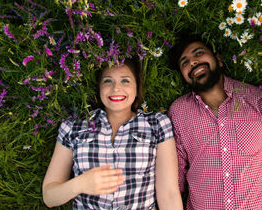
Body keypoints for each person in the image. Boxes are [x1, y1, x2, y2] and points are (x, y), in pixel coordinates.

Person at [168, 35, 262, 210]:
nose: (192, 62)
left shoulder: (258, 102)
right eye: (184, 62)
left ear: (219, 60)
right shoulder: (178, 112)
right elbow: (172, 182)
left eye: (199, 53)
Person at [42, 57, 183, 210]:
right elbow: (49, 197)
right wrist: (80, 184)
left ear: (137, 88)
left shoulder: (156, 124)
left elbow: (169, 194)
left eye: (125, 81)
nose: (116, 88)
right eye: (108, 81)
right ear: (99, 88)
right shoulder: (74, 127)